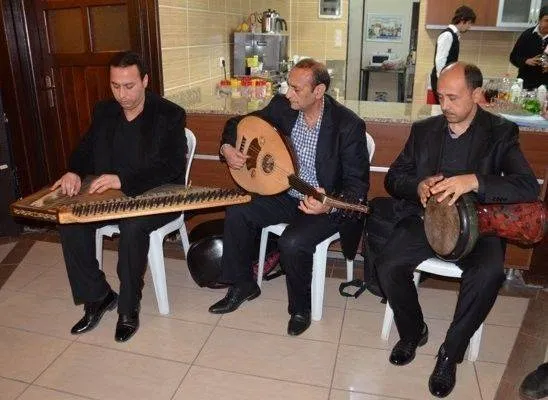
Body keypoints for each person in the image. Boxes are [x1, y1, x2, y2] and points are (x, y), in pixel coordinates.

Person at [377, 62, 539, 398]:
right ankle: (413, 331)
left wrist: (475, 181)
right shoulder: (424, 130)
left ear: (477, 95)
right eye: (441, 97)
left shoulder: (500, 132)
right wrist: (418, 186)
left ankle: (450, 353)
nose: (445, 106)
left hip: (478, 225)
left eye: (453, 98)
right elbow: (394, 178)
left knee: (489, 274)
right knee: (388, 263)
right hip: (428, 220)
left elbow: (526, 186)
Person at [208, 58, 369, 336]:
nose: (288, 93)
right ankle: (243, 284)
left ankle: (300, 309)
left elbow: (357, 188)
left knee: (291, 242)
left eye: (296, 89)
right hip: (285, 193)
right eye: (288, 86)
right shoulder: (283, 107)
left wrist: (327, 204)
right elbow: (240, 122)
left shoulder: (348, 125)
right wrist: (226, 147)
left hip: (324, 205)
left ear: (318, 91)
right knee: (238, 210)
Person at [53, 51, 188, 342]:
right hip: (112, 196)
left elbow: (172, 166)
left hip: (158, 196)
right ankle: (98, 296)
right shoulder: (105, 111)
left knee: (133, 226)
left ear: (145, 81)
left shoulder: (169, 114)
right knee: (70, 220)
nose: (122, 94)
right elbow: (86, 149)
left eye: (129, 86)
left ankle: (128, 307)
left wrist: (124, 180)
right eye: (115, 86)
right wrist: (74, 171)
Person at [430, 6, 476, 104]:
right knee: (444, 107)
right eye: (469, 23)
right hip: (442, 79)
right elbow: (440, 61)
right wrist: (443, 81)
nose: (469, 27)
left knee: (447, 107)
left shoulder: (454, 35)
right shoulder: (448, 35)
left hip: (445, 78)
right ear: (462, 20)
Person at [510, 6, 548, 90]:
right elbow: (513, 57)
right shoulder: (527, 35)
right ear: (539, 20)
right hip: (525, 84)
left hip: (546, 86)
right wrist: (526, 61)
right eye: (547, 20)